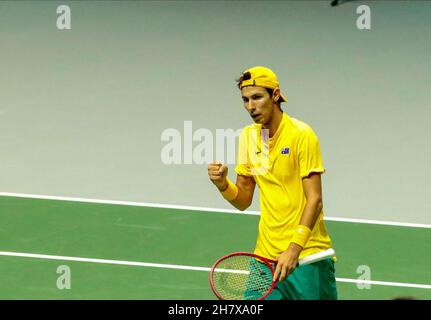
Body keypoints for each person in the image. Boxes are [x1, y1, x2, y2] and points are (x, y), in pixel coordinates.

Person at [207, 66, 338, 300]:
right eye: (245, 100)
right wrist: (222, 184)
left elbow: (315, 200)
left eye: (257, 97)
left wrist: (293, 249)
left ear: (275, 95)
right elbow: (244, 199)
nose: (250, 106)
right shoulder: (249, 137)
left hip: (308, 257)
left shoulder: (301, 135)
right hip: (265, 260)